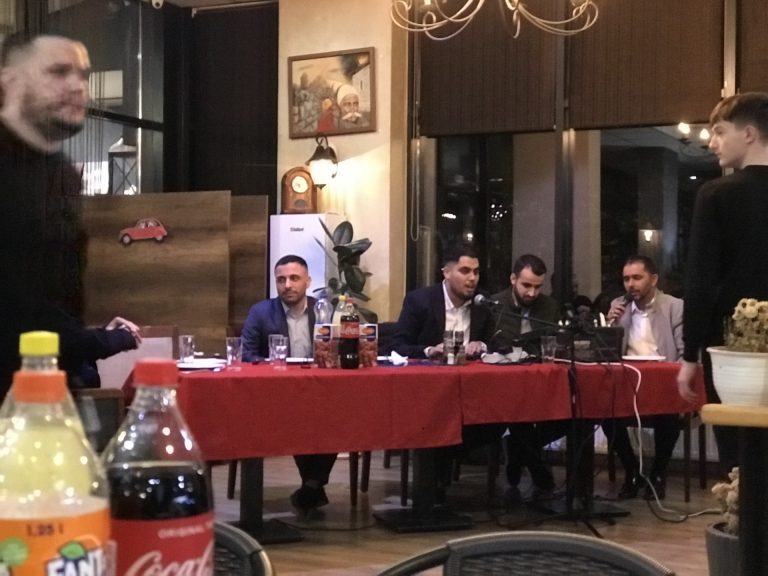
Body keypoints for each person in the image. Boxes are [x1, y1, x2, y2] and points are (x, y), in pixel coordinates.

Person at [0, 33, 139, 396]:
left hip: (45, 394)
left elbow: (50, 299)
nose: (78, 86)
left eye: (83, 75)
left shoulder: (62, 174)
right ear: (10, 79)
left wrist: (87, 337)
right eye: (59, 72)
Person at [677, 92, 768, 477]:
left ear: (748, 133)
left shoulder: (717, 193)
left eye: (719, 131)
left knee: (740, 463)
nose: (712, 142)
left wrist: (689, 355)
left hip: (732, 352)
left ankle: (744, 517)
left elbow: (700, 280)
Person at [389, 241, 500, 500]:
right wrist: (429, 350)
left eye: (476, 272)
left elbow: (499, 344)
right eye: (465, 271)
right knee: (438, 420)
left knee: (496, 420)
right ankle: (433, 484)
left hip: (470, 393)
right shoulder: (420, 301)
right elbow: (396, 346)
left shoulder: (482, 304)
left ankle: (439, 475)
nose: (472, 278)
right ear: (446, 273)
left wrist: (482, 345)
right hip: (426, 394)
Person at [241, 254, 337, 514]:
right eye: (281, 280)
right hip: (276, 394)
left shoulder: (324, 311)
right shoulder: (261, 312)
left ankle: (311, 485)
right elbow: (246, 355)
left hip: (318, 390)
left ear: (308, 281)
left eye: (294, 278)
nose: (287, 285)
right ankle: (313, 486)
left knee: (333, 416)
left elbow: (338, 348)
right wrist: (272, 363)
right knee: (303, 417)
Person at [604, 255, 683, 499]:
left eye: (637, 278)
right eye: (626, 279)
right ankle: (632, 470)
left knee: (668, 413)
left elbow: (684, 352)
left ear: (654, 279)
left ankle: (658, 473)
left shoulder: (674, 306)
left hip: (662, 382)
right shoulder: (619, 305)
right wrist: (610, 324)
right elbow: (606, 354)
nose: (631, 284)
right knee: (603, 411)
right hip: (628, 382)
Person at [491, 255, 564, 502]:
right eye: (526, 285)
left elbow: (550, 343)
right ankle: (540, 474)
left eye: (537, 287)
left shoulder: (549, 306)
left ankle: (516, 448)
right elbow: (495, 343)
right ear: (513, 279)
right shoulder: (495, 304)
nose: (532, 293)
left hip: (539, 381)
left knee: (571, 415)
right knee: (517, 411)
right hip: (503, 383)